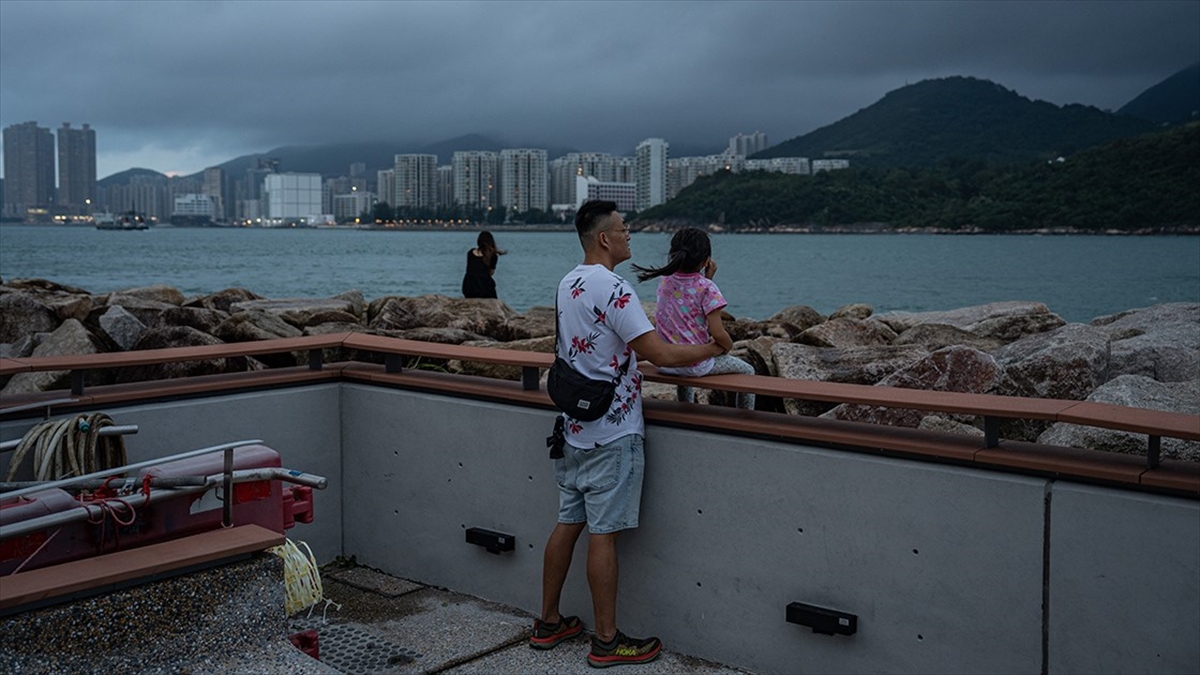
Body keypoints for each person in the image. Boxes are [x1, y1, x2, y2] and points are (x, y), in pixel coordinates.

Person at [531, 201, 724, 668]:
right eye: (623, 229)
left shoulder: (568, 282)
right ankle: (606, 641)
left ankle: (549, 623)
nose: (629, 234)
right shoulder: (615, 288)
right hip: (613, 432)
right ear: (604, 238)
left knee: (567, 523)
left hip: (574, 427)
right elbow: (660, 353)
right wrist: (714, 347)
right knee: (603, 535)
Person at [631, 227, 756, 410]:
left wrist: (707, 278)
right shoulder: (707, 288)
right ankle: (745, 415)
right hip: (695, 364)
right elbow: (717, 333)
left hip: (666, 363)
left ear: (673, 256)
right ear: (706, 261)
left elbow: (687, 294)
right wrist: (727, 347)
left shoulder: (665, 280)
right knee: (748, 370)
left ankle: (685, 407)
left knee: (684, 355)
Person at [462, 231, 506, 298]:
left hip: (468, 287)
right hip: (484, 289)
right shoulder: (492, 255)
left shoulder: (470, 253)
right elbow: (491, 273)